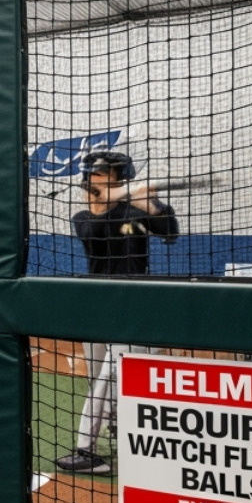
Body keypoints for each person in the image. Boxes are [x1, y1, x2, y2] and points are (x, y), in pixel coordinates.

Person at [54, 150, 179, 474]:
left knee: (114, 375)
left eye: (105, 175)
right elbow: (94, 232)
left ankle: (88, 452)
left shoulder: (136, 210)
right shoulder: (83, 217)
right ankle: (117, 429)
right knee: (98, 377)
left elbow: (170, 231)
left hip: (135, 307)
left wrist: (149, 204)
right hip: (97, 308)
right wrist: (117, 200)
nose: (95, 181)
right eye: (94, 177)